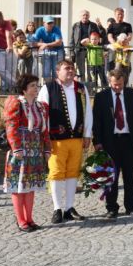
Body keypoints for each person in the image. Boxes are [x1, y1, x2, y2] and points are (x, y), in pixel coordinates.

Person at [37, 59, 92, 223]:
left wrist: (87, 133)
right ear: (57, 71)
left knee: (73, 172)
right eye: (67, 68)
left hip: (76, 137)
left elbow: (88, 111)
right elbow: (42, 114)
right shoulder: (48, 88)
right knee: (56, 172)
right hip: (56, 139)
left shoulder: (81, 88)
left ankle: (69, 207)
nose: (70, 71)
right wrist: (45, 137)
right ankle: (57, 208)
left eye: (72, 68)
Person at [92, 69, 133, 218]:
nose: (117, 87)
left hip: (129, 141)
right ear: (110, 82)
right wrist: (96, 141)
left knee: (130, 176)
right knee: (111, 177)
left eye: (120, 84)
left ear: (124, 82)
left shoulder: (132, 95)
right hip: (110, 142)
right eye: (115, 84)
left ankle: (131, 207)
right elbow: (96, 121)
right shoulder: (101, 97)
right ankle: (112, 208)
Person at [3, 74, 51, 232]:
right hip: (21, 150)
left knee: (30, 186)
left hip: (35, 150)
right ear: (24, 89)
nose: (36, 88)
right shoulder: (16, 103)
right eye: (32, 86)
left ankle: (29, 218)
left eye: (36, 85)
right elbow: (11, 126)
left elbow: (44, 130)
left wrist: (46, 148)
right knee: (18, 186)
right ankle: (21, 220)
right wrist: (16, 147)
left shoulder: (40, 106)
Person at [70, 10, 101, 80]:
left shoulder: (93, 25)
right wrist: (71, 51)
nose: (85, 16)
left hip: (91, 50)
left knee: (90, 70)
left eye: (87, 15)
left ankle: (90, 87)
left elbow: (99, 36)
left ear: (89, 16)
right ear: (80, 16)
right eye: (83, 15)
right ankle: (82, 87)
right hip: (79, 49)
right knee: (81, 70)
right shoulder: (75, 25)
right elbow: (72, 39)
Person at [33, 16, 65, 82]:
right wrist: (43, 45)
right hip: (47, 50)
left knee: (56, 69)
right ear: (44, 23)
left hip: (58, 50)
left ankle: (56, 86)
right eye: (49, 23)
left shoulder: (56, 29)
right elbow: (33, 43)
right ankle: (48, 86)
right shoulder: (40, 30)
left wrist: (46, 44)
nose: (51, 24)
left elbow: (59, 42)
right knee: (46, 70)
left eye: (52, 23)